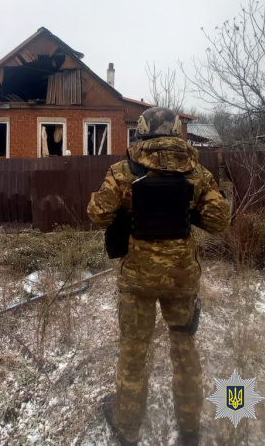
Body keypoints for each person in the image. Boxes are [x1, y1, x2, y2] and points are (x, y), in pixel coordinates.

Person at [87, 107, 231, 446]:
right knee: (185, 350)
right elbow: (218, 221)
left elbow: (97, 214)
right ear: (178, 132)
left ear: (141, 131)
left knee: (134, 352)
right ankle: (190, 430)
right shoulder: (197, 172)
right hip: (182, 279)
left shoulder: (123, 171)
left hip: (137, 281)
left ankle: (127, 429)